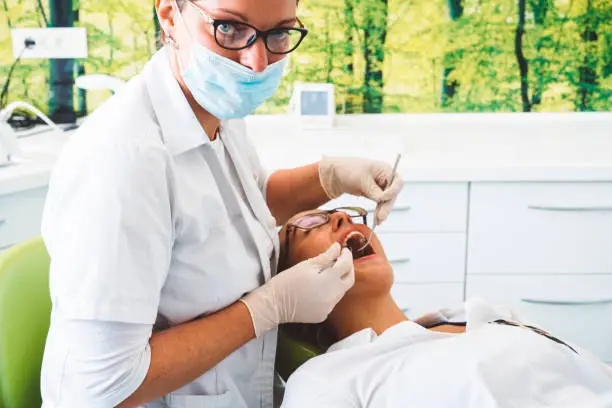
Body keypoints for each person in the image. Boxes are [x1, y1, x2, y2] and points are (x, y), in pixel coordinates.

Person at [38, 0, 405, 406]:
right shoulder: (123, 162)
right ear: (169, 16)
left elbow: (240, 203)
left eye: (279, 33)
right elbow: (102, 385)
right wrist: (265, 310)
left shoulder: (212, 105)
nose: (257, 63)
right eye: (229, 29)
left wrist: (330, 176)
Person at [276, 207, 612, 408]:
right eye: (308, 227)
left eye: (346, 212)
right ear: (293, 285)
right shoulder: (326, 379)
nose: (340, 215)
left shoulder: (476, 315)